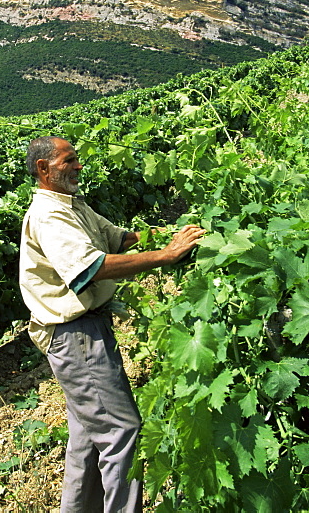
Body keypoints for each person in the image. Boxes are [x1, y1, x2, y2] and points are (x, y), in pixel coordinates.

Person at [19, 136, 205, 513]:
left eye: (77, 159)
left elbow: (120, 239)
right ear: (43, 169)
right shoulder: (49, 215)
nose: (78, 167)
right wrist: (166, 256)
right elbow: (89, 269)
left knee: (87, 437)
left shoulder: (72, 205)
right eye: (68, 161)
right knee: (122, 432)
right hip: (75, 336)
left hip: (83, 331)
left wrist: (175, 235)